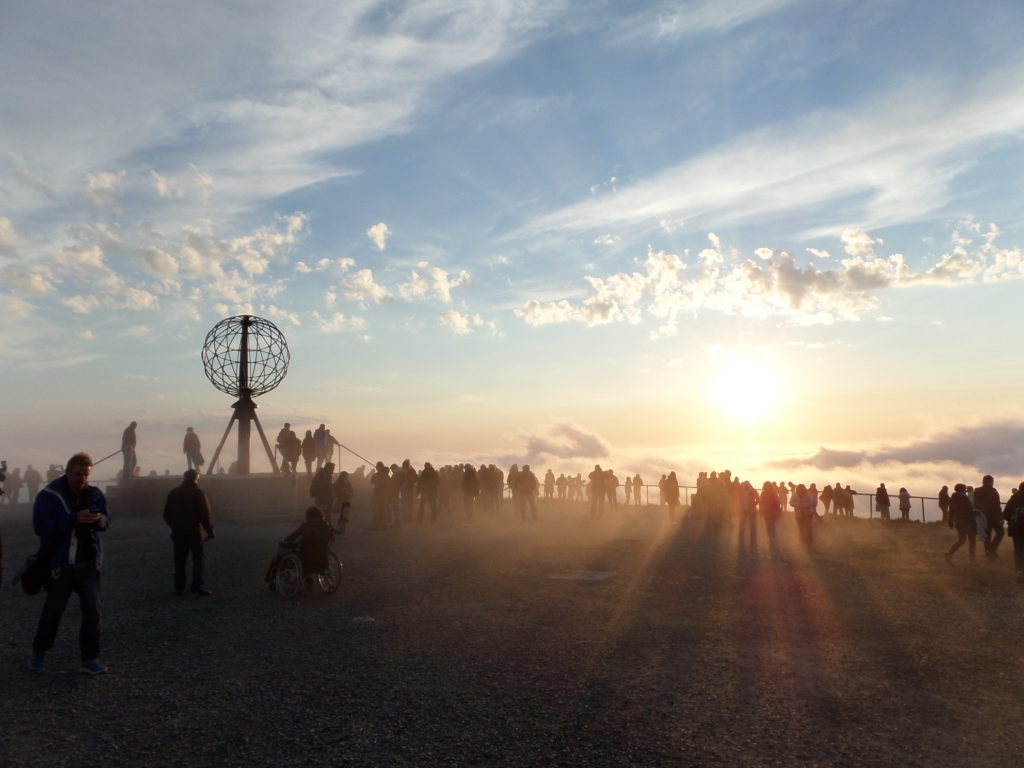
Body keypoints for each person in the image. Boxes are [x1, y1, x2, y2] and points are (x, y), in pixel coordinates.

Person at [30, 452, 110, 675]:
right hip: (60, 565)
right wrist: (73, 520)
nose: (82, 479)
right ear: (67, 471)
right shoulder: (49, 495)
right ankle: (39, 653)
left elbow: (107, 520)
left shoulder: (94, 494)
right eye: (78, 474)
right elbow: (40, 526)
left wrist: (98, 520)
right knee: (52, 612)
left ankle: (90, 658)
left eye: (86, 475)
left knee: (92, 614)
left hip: (88, 565)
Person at [162, 469, 214, 597]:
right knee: (198, 560)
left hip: (178, 533)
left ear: (184, 478)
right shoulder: (198, 493)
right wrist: (210, 530)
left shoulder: (174, 493)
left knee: (179, 561)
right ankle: (197, 586)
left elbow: (166, 514)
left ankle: (179, 588)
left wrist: (173, 526)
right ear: (196, 478)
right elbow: (205, 515)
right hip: (195, 533)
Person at [282, 506, 333, 576]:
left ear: (308, 516)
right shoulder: (326, 525)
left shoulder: (306, 525)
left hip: (307, 557)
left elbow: (294, 535)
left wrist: (287, 540)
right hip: (322, 557)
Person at [945, 483, 976, 565]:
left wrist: (950, 521)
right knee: (972, 540)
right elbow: (969, 510)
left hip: (958, 521)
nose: (965, 491)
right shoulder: (965, 498)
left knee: (961, 540)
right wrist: (977, 513)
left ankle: (950, 553)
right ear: (962, 489)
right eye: (965, 489)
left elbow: (951, 511)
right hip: (968, 522)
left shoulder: (953, 498)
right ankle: (972, 560)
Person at [974, 474, 1003, 558]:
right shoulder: (993, 491)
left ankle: (989, 552)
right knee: (1000, 532)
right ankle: (991, 550)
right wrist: (1000, 516)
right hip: (993, 516)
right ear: (990, 482)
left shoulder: (977, 490)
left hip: (981, 516)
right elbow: (996, 505)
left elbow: (973, 503)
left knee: (987, 535)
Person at [1002, 482, 1024, 583]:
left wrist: (1011, 521)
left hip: (1016, 528)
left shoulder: (1014, 498)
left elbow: (1006, 513)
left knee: (1018, 550)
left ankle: (1019, 571)